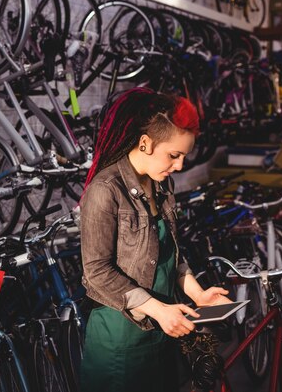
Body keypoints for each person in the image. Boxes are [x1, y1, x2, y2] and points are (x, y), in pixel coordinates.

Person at [79, 88, 231, 392]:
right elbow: (96, 272)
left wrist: (199, 296)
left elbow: (168, 253)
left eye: (183, 157)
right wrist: (158, 310)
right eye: (173, 155)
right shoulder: (105, 190)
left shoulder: (162, 186)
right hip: (120, 342)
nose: (179, 166)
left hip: (162, 333)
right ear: (145, 143)